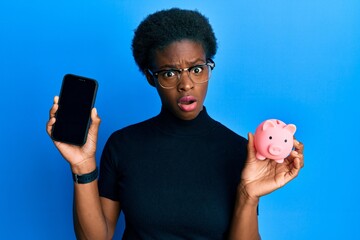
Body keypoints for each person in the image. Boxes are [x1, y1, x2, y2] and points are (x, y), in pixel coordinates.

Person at [46, 8, 304, 240]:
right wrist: (83, 166)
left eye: (196, 69)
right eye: (169, 73)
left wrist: (249, 195)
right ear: (151, 78)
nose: (186, 84)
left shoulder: (240, 152)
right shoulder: (123, 145)